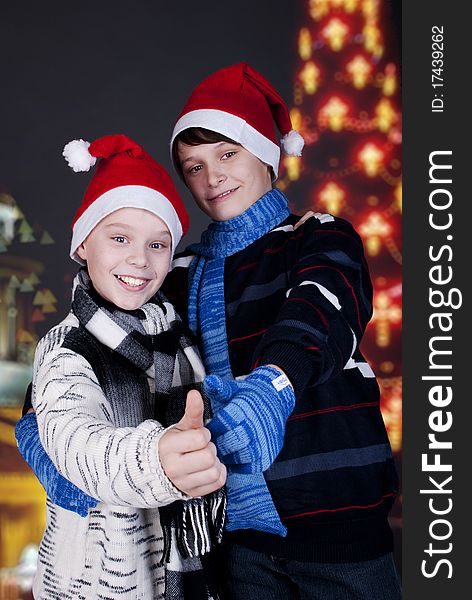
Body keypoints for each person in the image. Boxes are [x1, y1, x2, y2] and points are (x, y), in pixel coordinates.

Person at [18, 63, 401, 598]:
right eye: (193, 165)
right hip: (230, 543)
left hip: (339, 532)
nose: (212, 176)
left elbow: (320, 312)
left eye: (228, 154)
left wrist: (272, 388)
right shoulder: (174, 275)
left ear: (266, 153)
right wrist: (51, 451)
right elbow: (87, 353)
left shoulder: (318, 237)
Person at [16, 134, 226, 600]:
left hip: (178, 574)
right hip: (96, 581)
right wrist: (158, 460)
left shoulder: (176, 339)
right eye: (119, 238)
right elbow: (78, 444)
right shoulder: (70, 346)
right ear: (82, 246)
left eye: (157, 244)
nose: (139, 258)